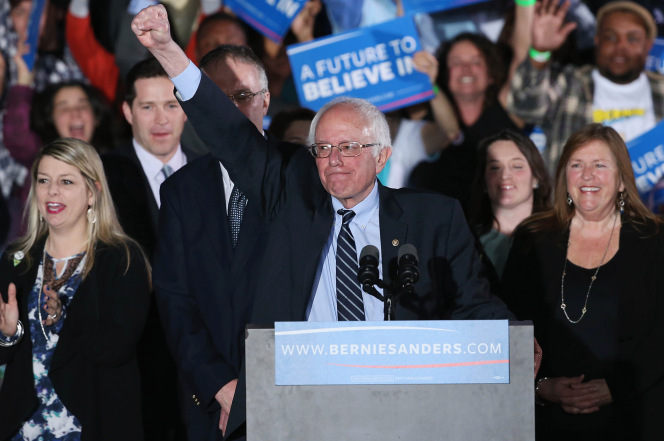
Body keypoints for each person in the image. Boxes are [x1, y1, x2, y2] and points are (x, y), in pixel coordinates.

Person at [132, 5, 516, 439]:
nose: (334, 160)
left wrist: (514, 341)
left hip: (401, 406)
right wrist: (168, 52)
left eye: (349, 147)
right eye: (323, 149)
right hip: (300, 405)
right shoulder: (291, 200)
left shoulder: (433, 218)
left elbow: (473, 300)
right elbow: (230, 133)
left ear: (382, 156)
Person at [153, 44, 295, 441]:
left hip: (289, 390)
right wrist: (220, 384)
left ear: (266, 100)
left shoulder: (300, 174)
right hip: (212, 403)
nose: (229, 110)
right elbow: (175, 299)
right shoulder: (181, 189)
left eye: (242, 96)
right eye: (218, 99)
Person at [501, 123, 664, 440]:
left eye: (600, 165)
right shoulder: (532, 238)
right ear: (564, 177)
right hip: (547, 422)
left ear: (622, 180)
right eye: (576, 165)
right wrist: (539, 386)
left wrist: (617, 388)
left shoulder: (655, 239)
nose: (587, 175)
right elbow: (508, 324)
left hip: (637, 418)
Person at [0, 137, 150, 440]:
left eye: (66, 181)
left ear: (92, 193)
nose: (52, 191)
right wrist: (8, 333)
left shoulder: (121, 258)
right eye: (44, 180)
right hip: (24, 429)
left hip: (93, 425)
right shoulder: (17, 259)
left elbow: (116, 346)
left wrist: (65, 317)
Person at [103, 56, 197, 440]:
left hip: (204, 363)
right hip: (133, 362)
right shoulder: (100, 178)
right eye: (148, 107)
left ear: (186, 110)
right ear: (128, 112)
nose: (161, 120)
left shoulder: (214, 172)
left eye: (171, 105)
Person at [507, 0, 664, 176]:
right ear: (597, 40)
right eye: (611, 37)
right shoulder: (569, 84)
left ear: (648, 45)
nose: (620, 47)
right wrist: (540, 52)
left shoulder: (661, 89)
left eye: (632, 39)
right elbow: (524, 109)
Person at [410, 4, 532, 209]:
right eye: (456, 62)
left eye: (476, 62)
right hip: (438, 224)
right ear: (444, 74)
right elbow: (407, 57)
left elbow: (523, 59)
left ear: (491, 74)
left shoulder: (507, 111)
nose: (466, 69)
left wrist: (525, 4)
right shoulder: (424, 113)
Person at [468, 129, 551, 284]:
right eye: (495, 167)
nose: (505, 175)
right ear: (484, 180)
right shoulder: (465, 242)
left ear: (536, 178)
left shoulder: (560, 239)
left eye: (517, 166)